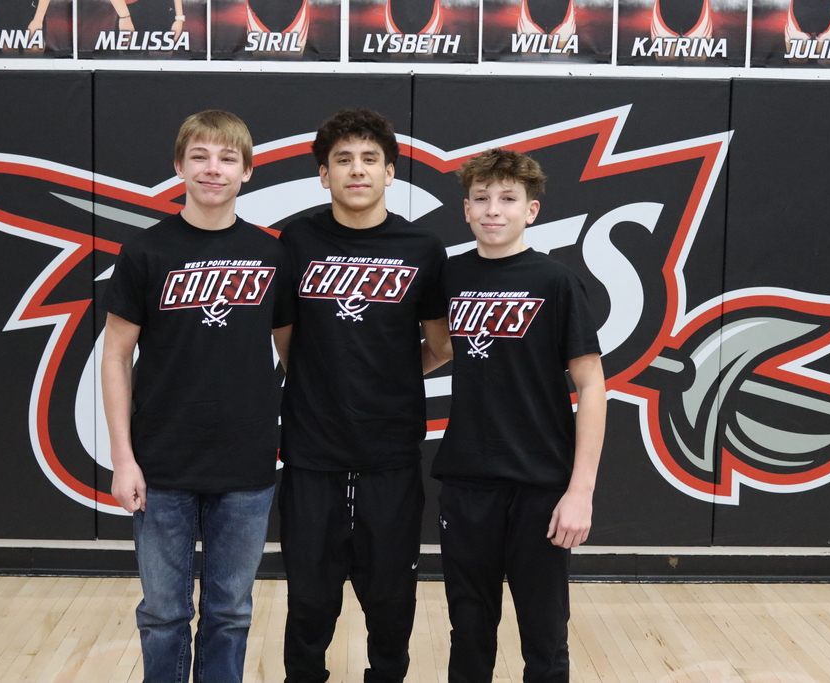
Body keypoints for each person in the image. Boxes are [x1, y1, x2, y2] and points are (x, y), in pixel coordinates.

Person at [100, 110, 294, 683]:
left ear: (248, 171)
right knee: (163, 613)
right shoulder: (145, 252)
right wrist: (123, 457)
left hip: (246, 463)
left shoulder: (271, 254)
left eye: (228, 158)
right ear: (179, 167)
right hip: (162, 462)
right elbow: (115, 355)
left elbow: (295, 355)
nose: (214, 169)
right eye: (201, 157)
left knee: (229, 613)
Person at [277, 107, 451, 683]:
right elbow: (285, 337)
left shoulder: (422, 246)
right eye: (343, 160)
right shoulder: (298, 238)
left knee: (391, 600)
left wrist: (390, 376)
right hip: (311, 450)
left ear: (391, 171)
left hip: (390, 452)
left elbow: (439, 345)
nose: (357, 171)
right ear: (324, 174)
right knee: (308, 600)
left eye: (369, 159)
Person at [433, 148, 606, 683]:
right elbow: (436, 351)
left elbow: (591, 385)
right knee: (469, 631)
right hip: (466, 484)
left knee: (545, 635)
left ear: (531, 211)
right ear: (465, 210)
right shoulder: (450, 277)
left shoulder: (556, 281)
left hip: (540, 486)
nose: (493, 210)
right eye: (481, 199)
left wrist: (580, 491)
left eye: (508, 199)